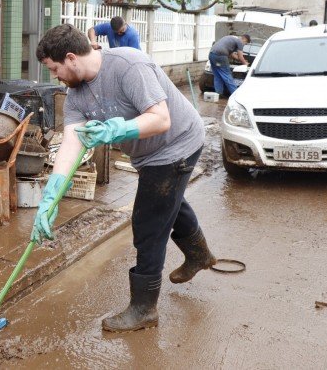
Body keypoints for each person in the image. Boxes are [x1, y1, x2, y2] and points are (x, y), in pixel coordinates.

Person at [32, 24, 215, 332]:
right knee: (166, 201)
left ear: (71, 57)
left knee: (148, 223)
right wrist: (51, 194)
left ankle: (144, 309)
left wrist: (118, 129)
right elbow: (71, 142)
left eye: (55, 69)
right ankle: (199, 254)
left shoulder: (129, 66)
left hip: (177, 142)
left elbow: (161, 119)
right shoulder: (76, 94)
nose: (55, 77)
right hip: (146, 153)